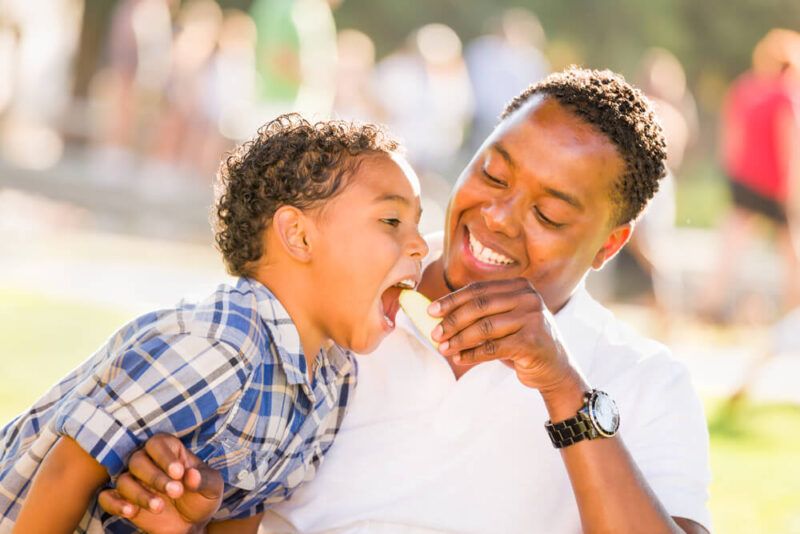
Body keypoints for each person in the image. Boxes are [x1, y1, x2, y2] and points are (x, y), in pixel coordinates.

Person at [105, 67, 711, 533]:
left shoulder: (645, 381)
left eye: (548, 214)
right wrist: (188, 515)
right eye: (493, 176)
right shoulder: (328, 293)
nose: (497, 218)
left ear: (609, 245)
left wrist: (560, 387)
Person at [0, 114, 428, 532]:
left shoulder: (335, 384)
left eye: (417, 224)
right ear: (298, 235)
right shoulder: (223, 344)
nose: (421, 245)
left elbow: (244, 510)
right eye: (391, 220)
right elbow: (68, 468)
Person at [700, 29, 800, 322]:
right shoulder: (786, 95)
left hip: (743, 178)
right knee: (791, 250)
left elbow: (732, 137)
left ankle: (710, 300)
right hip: (772, 183)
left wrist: (732, 173)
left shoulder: (745, 88)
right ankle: (794, 308)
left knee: (730, 246)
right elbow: (789, 145)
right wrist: (791, 189)